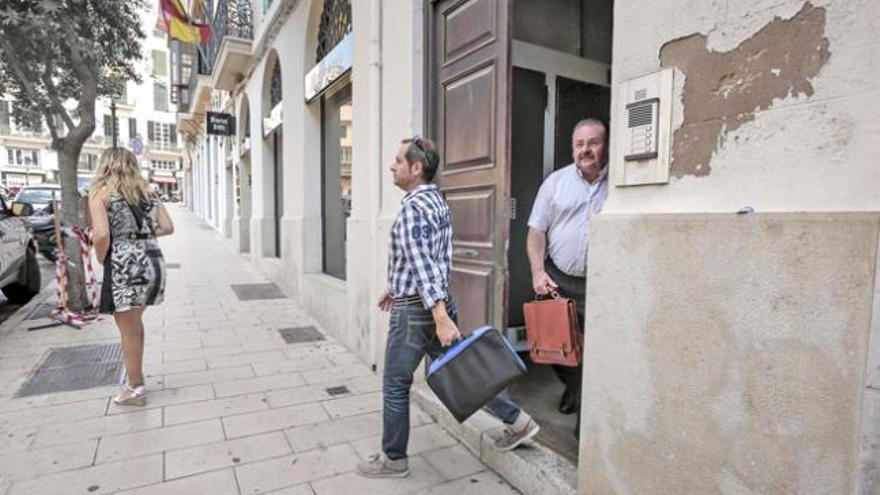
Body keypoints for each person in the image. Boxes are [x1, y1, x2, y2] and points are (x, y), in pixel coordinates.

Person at [357, 136, 540, 478]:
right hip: (429, 301)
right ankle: (518, 421)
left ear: (416, 168)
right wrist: (395, 288)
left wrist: (438, 316)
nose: (392, 167)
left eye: (398, 161)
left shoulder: (412, 208)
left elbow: (424, 264)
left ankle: (393, 459)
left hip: (418, 312)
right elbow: (427, 257)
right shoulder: (437, 201)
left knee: (396, 383)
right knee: (462, 371)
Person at [526, 118, 608, 437]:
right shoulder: (556, 183)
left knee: (595, 353)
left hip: (601, 283)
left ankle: (582, 431)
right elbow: (536, 231)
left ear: (606, 145)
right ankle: (572, 387)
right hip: (557, 280)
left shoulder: (620, 183)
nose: (585, 150)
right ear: (572, 148)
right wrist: (537, 271)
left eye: (593, 142)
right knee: (554, 348)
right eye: (579, 144)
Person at [89, 148, 174, 406]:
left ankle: (135, 389)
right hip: (153, 263)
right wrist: (142, 236)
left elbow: (102, 235)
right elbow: (168, 227)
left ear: (105, 166)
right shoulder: (148, 193)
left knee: (127, 328)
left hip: (125, 265)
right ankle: (136, 378)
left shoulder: (100, 194)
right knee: (134, 324)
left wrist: (101, 256)